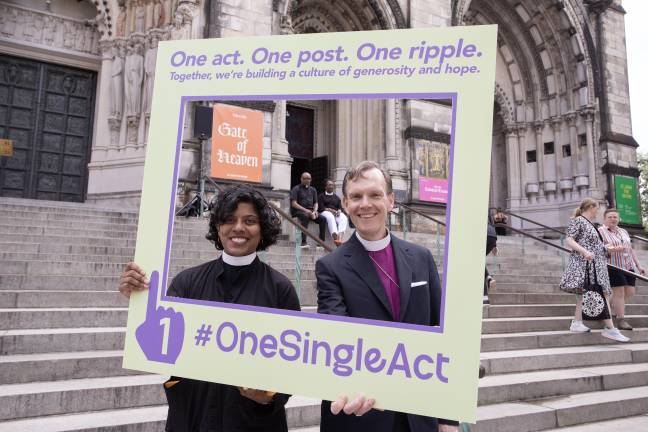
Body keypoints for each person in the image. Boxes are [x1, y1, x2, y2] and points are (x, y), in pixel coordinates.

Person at [119, 184, 300, 431]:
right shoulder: (187, 282)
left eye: (249, 220)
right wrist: (139, 300)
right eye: (228, 219)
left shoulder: (281, 289)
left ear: (262, 228)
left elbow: (294, 367)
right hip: (194, 414)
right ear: (217, 226)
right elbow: (157, 341)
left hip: (253, 421)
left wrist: (269, 395)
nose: (238, 228)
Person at [316, 161, 458, 432]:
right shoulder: (330, 267)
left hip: (417, 412)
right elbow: (337, 337)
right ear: (345, 204)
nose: (365, 204)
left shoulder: (421, 258)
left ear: (391, 200)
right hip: (360, 414)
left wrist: (448, 416)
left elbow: (442, 337)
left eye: (375, 195)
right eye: (356, 197)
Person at [558, 198, 629, 342]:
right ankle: (610, 329)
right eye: (597, 208)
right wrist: (584, 251)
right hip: (588, 265)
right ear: (590, 207)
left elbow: (592, 244)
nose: (598, 211)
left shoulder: (590, 224)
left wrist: (605, 248)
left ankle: (577, 323)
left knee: (589, 294)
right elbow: (569, 240)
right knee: (602, 293)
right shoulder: (579, 220)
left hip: (596, 264)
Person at [599, 208, 645, 330]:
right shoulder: (600, 231)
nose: (613, 219)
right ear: (604, 219)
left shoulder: (623, 231)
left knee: (630, 292)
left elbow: (630, 249)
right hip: (612, 266)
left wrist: (639, 265)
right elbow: (600, 248)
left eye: (615, 217)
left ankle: (606, 306)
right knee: (619, 292)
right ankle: (621, 319)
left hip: (628, 266)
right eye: (610, 217)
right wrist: (612, 249)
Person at [290, 172, 326, 248]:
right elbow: (294, 204)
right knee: (305, 216)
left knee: (323, 219)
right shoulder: (296, 188)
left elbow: (316, 203)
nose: (308, 180)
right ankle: (303, 242)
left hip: (311, 211)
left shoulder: (313, 190)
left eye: (309, 178)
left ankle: (321, 242)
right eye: (305, 178)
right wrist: (306, 211)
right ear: (301, 179)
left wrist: (315, 211)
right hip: (299, 211)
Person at [318, 179, 348, 246]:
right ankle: (335, 237)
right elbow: (321, 208)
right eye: (329, 185)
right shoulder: (321, 196)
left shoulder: (336, 197)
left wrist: (339, 211)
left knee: (344, 217)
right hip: (325, 212)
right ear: (325, 187)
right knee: (330, 216)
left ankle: (340, 238)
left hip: (335, 213)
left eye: (332, 185)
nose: (331, 186)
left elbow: (340, 207)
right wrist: (329, 210)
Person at [484, 211, 498, 305]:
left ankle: (484, 297)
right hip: (492, 235)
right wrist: (495, 245)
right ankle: (488, 277)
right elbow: (491, 221)